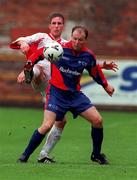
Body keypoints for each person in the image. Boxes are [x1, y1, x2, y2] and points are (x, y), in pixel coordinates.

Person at [10, 13, 117, 164]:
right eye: (74, 38)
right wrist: (28, 64)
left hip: (74, 95)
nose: (76, 42)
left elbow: (94, 71)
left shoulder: (88, 55)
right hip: (56, 93)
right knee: (46, 125)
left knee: (98, 120)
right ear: (71, 37)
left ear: (85, 41)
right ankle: (25, 156)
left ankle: (96, 155)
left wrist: (106, 85)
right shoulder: (58, 48)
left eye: (80, 40)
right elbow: (39, 53)